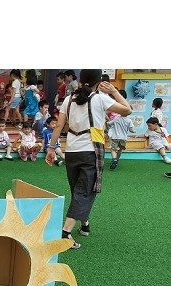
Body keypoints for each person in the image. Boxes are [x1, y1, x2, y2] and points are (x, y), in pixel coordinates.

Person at [46, 69, 131, 249]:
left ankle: (84, 223)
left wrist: (51, 148)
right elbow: (127, 110)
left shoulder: (68, 99)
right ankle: (65, 233)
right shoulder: (100, 98)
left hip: (71, 150)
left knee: (78, 189)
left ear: (81, 80)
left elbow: (59, 125)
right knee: (84, 191)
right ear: (98, 82)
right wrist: (114, 92)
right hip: (90, 150)